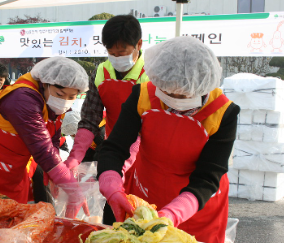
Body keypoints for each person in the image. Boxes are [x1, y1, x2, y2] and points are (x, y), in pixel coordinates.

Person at [97, 36, 240, 243]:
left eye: (184, 96)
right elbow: (115, 147)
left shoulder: (223, 113)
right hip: (147, 193)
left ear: (203, 88)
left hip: (196, 203)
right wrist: (111, 185)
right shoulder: (143, 95)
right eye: (166, 91)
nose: (175, 100)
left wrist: (173, 213)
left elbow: (208, 176)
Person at [0, 56, 89, 219]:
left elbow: (52, 141)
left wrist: (54, 176)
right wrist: (70, 185)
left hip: (11, 169)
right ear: (45, 83)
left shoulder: (52, 104)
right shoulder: (22, 98)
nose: (65, 101)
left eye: (72, 97)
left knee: (7, 220)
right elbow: (43, 148)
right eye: (60, 94)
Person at [64, 15, 149, 178]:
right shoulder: (101, 72)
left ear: (138, 44)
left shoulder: (151, 75)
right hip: (114, 148)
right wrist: (76, 156)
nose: (116, 58)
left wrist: (123, 164)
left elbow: (144, 128)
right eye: (111, 53)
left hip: (146, 153)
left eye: (122, 52)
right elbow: (90, 118)